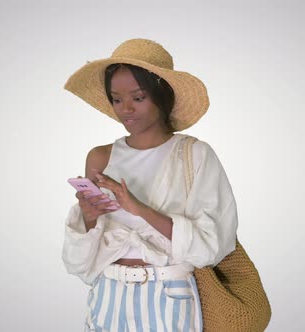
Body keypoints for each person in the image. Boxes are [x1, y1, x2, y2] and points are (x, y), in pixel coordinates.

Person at [62, 38, 238, 332]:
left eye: (138, 97)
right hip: (108, 294)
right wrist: (88, 221)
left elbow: (212, 247)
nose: (125, 109)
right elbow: (79, 264)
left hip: (169, 295)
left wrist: (140, 209)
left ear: (162, 95)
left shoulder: (195, 154)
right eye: (117, 99)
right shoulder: (100, 157)